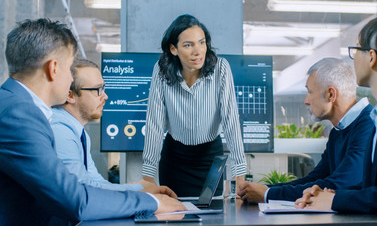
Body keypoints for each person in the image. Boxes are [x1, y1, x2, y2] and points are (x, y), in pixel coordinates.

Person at [0, 18, 185, 226]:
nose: (71, 79)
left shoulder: (15, 106)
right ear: (53, 68)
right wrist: (151, 201)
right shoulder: (18, 114)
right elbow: (76, 199)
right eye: (70, 68)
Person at [296, 14, 377, 215]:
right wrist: (327, 195)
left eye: (356, 49)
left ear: (372, 57)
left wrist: (336, 199)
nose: (353, 58)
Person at [238, 58, 374, 203]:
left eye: (310, 92)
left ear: (331, 94)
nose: (306, 101)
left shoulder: (368, 125)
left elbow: (342, 184)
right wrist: (264, 189)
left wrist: (268, 194)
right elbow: (315, 179)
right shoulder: (339, 129)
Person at [142, 14, 247, 197]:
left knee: (212, 218)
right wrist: (148, 175)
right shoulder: (161, 70)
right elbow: (154, 124)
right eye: (188, 45)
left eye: (201, 42)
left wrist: (240, 173)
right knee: (175, 216)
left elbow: (231, 121)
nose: (197, 51)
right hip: (174, 159)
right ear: (174, 49)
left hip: (210, 159)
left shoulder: (220, 68)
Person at [51, 58, 168, 193]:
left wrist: (141, 187)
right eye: (97, 90)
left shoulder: (79, 133)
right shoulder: (60, 132)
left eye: (103, 88)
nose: (105, 96)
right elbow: (83, 190)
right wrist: (141, 191)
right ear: (69, 95)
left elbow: (95, 183)